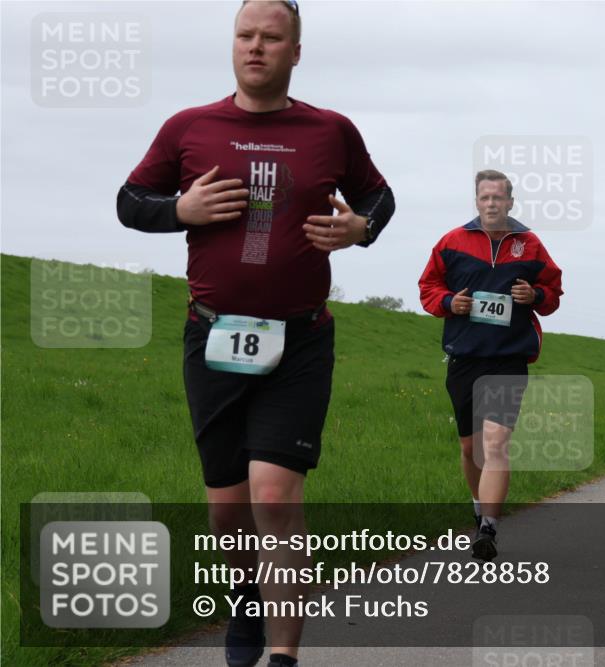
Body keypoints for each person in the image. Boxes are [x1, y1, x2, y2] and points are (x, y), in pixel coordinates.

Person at [117, 3, 395, 666]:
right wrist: (178, 210)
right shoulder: (189, 127)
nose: (256, 47)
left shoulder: (332, 130)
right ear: (233, 45)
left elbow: (379, 198)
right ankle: (246, 594)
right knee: (227, 513)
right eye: (246, 36)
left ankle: (282, 655)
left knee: (274, 492)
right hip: (212, 339)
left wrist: (362, 229)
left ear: (296, 51)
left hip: (298, 342)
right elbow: (130, 202)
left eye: (272, 38)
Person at [418, 169, 562, 561]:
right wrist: (450, 303)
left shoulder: (529, 244)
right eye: (485, 198)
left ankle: (488, 529)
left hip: (509, 357)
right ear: (477, 201)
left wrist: (535, 293)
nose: (492, 203)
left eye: (499, 197)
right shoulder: (451, 242)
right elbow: (428, 288)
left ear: (511, 202)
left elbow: (554, 294)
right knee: (470, 448)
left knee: (495, 443)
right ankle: (479, 505)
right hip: (465, 356)